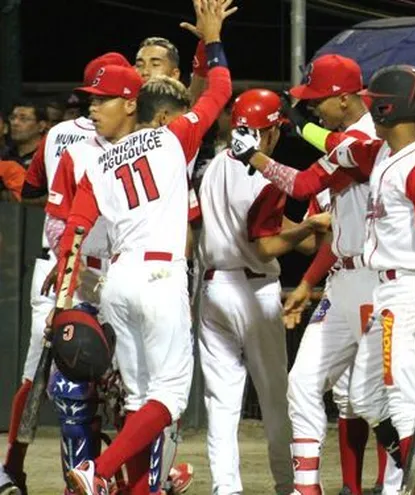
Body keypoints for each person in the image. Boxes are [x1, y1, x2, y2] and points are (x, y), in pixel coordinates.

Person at [236, 63, 415, 495]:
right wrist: (261, 155)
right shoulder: (381, 155)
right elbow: (318, 170)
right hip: (374, 282)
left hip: (405, 286)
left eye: (377, 103)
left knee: (402, 398)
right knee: (362, 397)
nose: (370, 108)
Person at [57, 1, 234, 493]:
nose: (92, 108)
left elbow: (76, 225)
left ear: (131, 103)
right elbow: (219, 89)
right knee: (169, 398)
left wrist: (63, 283)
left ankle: (136, 488)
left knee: (138, 403)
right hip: (158, 279)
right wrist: (212, 40)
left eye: (101, 100)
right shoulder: (172, 138)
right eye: (91, 101)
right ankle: (99, 470)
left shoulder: (99, 164)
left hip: (120, 282)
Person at [265, 53, 398, 495]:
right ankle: (307, 488)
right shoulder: (342, 140)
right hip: (342, 279)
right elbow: (320, 204)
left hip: (376, 281)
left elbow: (317, 176)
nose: (315, 106)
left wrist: (281, 141)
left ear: (344, 99)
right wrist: (306, 284)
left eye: (320, 99)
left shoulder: (373, 140)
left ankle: (406, 482)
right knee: (303, 384)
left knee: (378, 398)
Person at [0, 52, 130, 495]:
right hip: (77, 266)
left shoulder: (57, 134)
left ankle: (15, 465)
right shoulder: (95, 139)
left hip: (63, 261)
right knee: (72, 373)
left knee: (43, 370)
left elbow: (33, 193)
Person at [198, 89, 327, 495]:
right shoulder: (265, 174)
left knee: (221, 401)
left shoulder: (214, 164)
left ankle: (225, 487)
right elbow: (265, 246)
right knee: (274, 395)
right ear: (268, 132)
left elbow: (267, 227)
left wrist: (307, 235)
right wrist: (309, 228)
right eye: (276, 130)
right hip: (253, 291)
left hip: (212, 288)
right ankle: (288, 484)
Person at [7, 101, 49, 166]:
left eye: (23, 119)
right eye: (12, 118)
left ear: (41, 126)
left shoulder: (48, 155)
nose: (15, 123)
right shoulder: (5, 156)